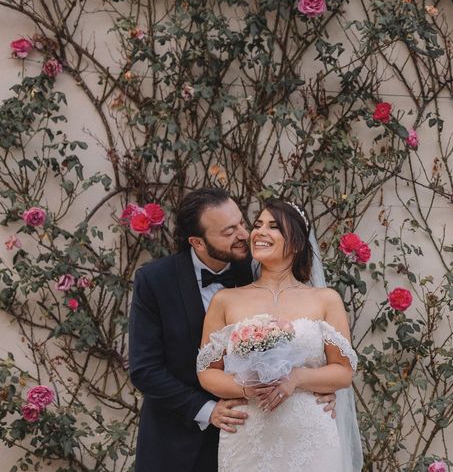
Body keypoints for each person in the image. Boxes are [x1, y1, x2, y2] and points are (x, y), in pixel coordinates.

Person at [128, 188, 337, 471]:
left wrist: (311, 388)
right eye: (228, 231)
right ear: (197, 242)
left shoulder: (256, 268)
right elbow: (146, 369)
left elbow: (300, 339)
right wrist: (208, 410)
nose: (243, 234)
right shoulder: (155, 281)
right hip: (178, 439)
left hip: (256, 433)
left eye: (241, 222)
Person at [196, 199, 358, 471]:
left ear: (295, 242)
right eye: (257, 225)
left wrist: (297, 378)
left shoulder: (325, 300)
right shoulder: (226, 300)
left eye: (273, 227)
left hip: (310, 434)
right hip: (248, 433)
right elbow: (207, 372)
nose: (259, 232)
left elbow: (343, 371)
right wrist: (246, 388)